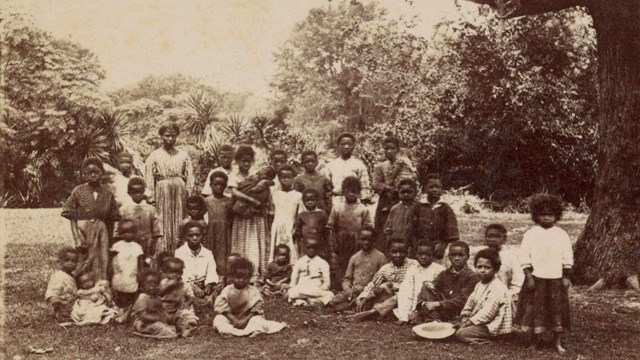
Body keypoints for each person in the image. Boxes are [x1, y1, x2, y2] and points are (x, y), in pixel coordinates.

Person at [514, 194, 573, 354]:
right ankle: (535, 341)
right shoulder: (531, 234)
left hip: (556, 279)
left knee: (557, 310)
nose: (546, 218)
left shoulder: (561, 234)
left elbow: (567, 255)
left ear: (556, 216)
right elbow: (524, 255)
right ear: (536, 216)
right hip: (537, 279)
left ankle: (557, 341)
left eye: (550, 215)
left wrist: (566, 276)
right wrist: (529, 276)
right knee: (535, 310)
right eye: (543, 214)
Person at [62, 157, 119, 280]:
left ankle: (100, 285)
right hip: (83, 229)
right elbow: (71, 215)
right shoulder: (78, 191)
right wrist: (76, 237)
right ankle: (80, 285)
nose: (93, 175)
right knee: (84, 257)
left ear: (102, 173)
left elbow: (112, 218)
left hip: (102, 230)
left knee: (102, 259)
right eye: (89, 173)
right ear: (84, 174)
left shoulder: (107, 193)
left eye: (96, 172)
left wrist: (110, 241)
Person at [145, 122, 194, 253]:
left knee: (179, 224)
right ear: (161, 136)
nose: (170, 139)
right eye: (167, 135)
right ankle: (163, 256)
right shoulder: (154, 156)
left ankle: (179, 255)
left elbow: (189, 178)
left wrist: (189, 197)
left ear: (177, 136)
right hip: (162, 193)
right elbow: (149, 179)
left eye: (173, 136)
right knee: (163, 225)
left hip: (179, 194)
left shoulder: (183, 155)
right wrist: (151, 199)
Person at [213, 257, 287, 337]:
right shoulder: (227, 290)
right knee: (218, 319)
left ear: (250, 277)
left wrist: (246, 319)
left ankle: (254, 330)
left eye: (245, 278)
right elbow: (222, 308)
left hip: (249, 317)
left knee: (257, 321)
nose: (241, 280)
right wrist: (234, 319)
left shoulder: (253, 291)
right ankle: (228, 331)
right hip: (231, 317)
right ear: (232, 276)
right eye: (238, 277)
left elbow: (257, 307)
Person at [229, 145, 272, 281]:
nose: (246, 164)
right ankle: (242, 272)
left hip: (256, 215)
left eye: (248, 161)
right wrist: (251, 200)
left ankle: (257, 272)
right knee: (243, 242)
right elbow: (234, 192)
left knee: (255, 242)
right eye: (243, 161)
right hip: (242, 215)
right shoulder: (233, 176)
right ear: (237, 161)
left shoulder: (256, 174)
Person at [348, 238, 418, 322]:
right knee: (372, 293)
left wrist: (393, 286)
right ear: (388, 252)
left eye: (402, 252)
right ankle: (365, 310)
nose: (398, 255)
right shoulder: (385, 268)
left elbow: (415, 285)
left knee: (400, 295)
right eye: (394, 252)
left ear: (407, 252)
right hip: (388, 300)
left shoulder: (414, 265)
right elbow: (373, 284)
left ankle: (371, 312)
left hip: (406, 299)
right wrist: (364, 298)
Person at [456, 248, 514, 344]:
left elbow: (487, 313)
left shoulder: (498, 287)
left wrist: (468, 323)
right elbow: (470, 303)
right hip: (481, 323)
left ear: (496, 269)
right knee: (456, 328)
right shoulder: (479, 285)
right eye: (479, 267)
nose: (482, 270)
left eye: (487, 268)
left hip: (493, 325)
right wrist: (464, 317)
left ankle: (494, 340)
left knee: (461, 334)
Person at [415, 241, 479, 324]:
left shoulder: (472, 277)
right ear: (449, 256)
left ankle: (434, 321)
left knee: (419, 318)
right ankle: (434, 321)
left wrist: (438, 304)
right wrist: (426, 302)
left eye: (460, 255)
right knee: (426, 286)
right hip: (444, 310)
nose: (456, 258)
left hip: (459, 311)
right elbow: (433, 287)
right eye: (453, 255)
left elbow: (463, 300)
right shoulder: (444, 274)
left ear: (467, 257)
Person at [327, 226, 387, 312]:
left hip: (369, 293)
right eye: (363, 239)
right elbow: (347, 279)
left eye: (369, 239)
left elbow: (384, 280)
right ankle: (350, 306)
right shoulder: (355, 257)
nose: (366, 242)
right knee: (334, 301)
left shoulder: (381, 257)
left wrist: (371, 292)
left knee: (366, 304)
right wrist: (348, 289)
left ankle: (354, 307)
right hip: (354, 291)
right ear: (359, 240)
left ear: (374, 240)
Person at [327, 176, 373, 287]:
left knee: (356, 261)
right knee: (342, 262)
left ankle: (355, 282)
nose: (351, 194)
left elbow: (368, 227)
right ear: (343, 192)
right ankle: (340, 283)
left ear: (359, 193)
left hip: (357, 241)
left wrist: (364, 241)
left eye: (354, 192)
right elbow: (331, 226)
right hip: (341, 241)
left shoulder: (363, 209)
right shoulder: (337, 208)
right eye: (348, 191)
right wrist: (333, 243)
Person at [372, 133, 417, 243]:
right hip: (385, 201)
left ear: (398, 149)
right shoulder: (380, 166)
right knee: (384, 230)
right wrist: (387, 187)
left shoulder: (405, 163)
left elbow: (412, 180)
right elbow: (375, 184)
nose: (389, 151)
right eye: (386, 148)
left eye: (392, 148)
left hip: (402, 198)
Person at [395, 241, 445, 324]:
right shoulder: (412, 269)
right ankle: (409, 315)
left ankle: (422, 317)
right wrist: (404, 316)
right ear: (416, 255)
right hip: (414, 306)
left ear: (433, 255)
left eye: (427, 254)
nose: (424, 257)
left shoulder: (440, 270)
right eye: (420, 254)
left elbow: (438, 295)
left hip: (430, 306)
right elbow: (407, 291)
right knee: (404, 290)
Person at [413, 174, 459, 263]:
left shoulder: (445, 208)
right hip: (420, 247)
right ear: (425, 188)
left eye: (438, 187)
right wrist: (415, 245)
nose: (435, 189)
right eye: (431, 187)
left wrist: (443, 244)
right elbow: (411, 227)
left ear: (441, 189)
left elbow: (451, 229)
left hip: (438, 247)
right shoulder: (418, 207)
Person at [116, 177, 162, 262]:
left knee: (146, 264)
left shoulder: (150, 209)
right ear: (129, 193)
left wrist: (153, 245)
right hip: (129, 243)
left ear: (143, 192)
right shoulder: (124, 210)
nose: (138, 195)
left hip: (147, 243)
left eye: (140, 192)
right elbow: (118, 230)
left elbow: (156, 230)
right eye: (134, 192)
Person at [174, 221, 219, 301]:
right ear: (185, 236)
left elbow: (211, 271)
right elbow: (180, 274)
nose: (194, 238)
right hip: (186, 285)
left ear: (202, 235)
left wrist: (209, 284)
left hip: (203, 287)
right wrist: (192, 286)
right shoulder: (179, 253)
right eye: (190, 235)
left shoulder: (207, 253)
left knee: (214, 293)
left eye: (197, 235)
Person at [325, 133, 372, 206]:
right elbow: (327, 187)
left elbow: (364, 187)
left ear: (353, 146)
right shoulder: (331, 165)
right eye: (343, 144)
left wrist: (363, 204)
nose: (346, 147)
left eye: (349, 144)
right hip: (336, 202)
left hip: (354, 202)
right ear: (338, 146)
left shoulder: (359, 165)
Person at [130, 269, 178, 339]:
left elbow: (162, 310)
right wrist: (158, 318)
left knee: (172, 327)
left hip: (154, 322)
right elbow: (143, 316)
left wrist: (166, 316)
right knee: (160, 327)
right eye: (150, 283)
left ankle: (168, 333)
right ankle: (145, 333)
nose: (153, 285)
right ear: (142, 286)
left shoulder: (157, 298)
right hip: (143, 324)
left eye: (156, 283)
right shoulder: (142, 297)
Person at [157, 257, 199, 337]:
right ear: (166, 272)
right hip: (164, 309)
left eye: (177, 273)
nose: (174, 275)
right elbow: (158, 294)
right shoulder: (162, 283)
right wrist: (168, 287)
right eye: (171, 272)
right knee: (156, 317)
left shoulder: (184, 285)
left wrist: (187, 303)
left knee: (185, 314)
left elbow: (191, 297)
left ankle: (187, 326)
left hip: (178, 309)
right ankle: (168, 327)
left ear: (181, 273)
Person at [270, 164, 302, 263]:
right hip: (277, 226)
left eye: (289, 177)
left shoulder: (298, 195)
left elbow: (300, 214)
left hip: (291, 226)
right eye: (283, 177)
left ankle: (291, 271)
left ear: (293, 178)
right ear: (279, 179)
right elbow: (271, 212)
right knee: (277, 248)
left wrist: (296, 229)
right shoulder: (275, 194)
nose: (286, 180)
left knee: (292, 248)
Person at [288, 238, 334, 307]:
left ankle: (302, 301)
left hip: (316, 290)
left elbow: (327, 282)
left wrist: (322, 288)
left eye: (314, 248)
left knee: (330, 294)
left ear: (318, 248)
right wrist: (293, 287)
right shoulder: (299, 262)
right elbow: (294, 279)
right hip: (301, 289)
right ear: (304, 248)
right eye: (309, 247)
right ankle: (311, 301)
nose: (311, 250)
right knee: (291, 292)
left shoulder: (323, 263)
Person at [110, 219, 145, 309]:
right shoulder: (117, 245)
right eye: (124, 232)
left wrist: (140, 271)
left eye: (130, 232)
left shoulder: (136, 246)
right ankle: (119, 306)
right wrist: (112, 267)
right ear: (120, 233)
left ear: (134, 233)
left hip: (131, 270)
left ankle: (130, 307)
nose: (127, 235)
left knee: (131, 287)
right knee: (119, 287)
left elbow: (140, 260)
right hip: (120, 271)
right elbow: (112, 258)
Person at [484, 224, 524, 303]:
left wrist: (507, 297)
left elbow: (518, 283)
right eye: (489, 236)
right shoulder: (483, 255)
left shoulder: (511, 257)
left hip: (506, 298)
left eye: (497, 237)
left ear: (504, 239)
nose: (493, 240)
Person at [205, 171, 233, 276]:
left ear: (225, 186)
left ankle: (223, 277)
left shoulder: (229, 201)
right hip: (211, 231)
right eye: (216, 184)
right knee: (211, 253)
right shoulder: (207, 201)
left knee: (224, 254)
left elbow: (232, 218)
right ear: (211, 185)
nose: (218, 187)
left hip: (226, 232)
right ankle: (211, 277)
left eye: (221, 185)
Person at [383, 178, 418, 254]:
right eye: (403, 192)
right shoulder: (394, 209)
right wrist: (388, 241)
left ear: (415, 193)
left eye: (409, 192)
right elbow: (388, 227)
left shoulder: (418, 208)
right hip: (396, 245)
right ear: (398, 193)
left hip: (413, 245)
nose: (406, 194)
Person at [45, 247, 80, 322]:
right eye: (67, 260)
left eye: (74, 261)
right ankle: (63, 316)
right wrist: (59, 305)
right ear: (60, 262)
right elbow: (52, 293)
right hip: (63, 305)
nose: (70, 263)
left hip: (73, 304)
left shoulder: (72, 276)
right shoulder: (59, 276)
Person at [293, 189, 329, 258]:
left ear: (317, 200)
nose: (310, 202)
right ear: (303, 201)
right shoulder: (301, 215)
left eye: (312, 200)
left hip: (319, 244)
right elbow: (298, 231)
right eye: (307, 200)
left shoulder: (322, 214)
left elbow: (326, 231)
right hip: (306, 245)